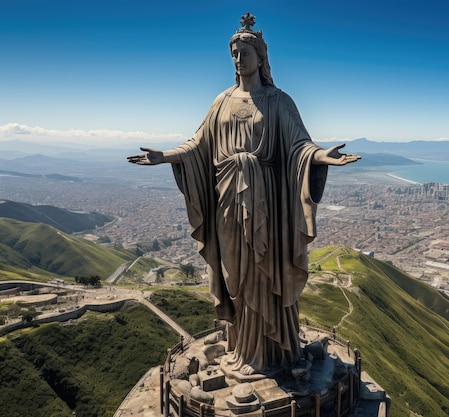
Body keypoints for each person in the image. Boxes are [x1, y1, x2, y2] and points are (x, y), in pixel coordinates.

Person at [128, 12, 359, 375]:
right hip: (227, 202)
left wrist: (320, 156)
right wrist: (165, 156)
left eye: (244, 53)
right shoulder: (220, 102)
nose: (238, 59)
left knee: (265, 271)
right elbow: (198, 145)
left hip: (267, 202)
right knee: (236, 271)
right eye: (234, 53)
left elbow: (299, 145)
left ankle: (268, 353)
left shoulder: (278, 100)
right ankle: (241, 345)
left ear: (260, 57)